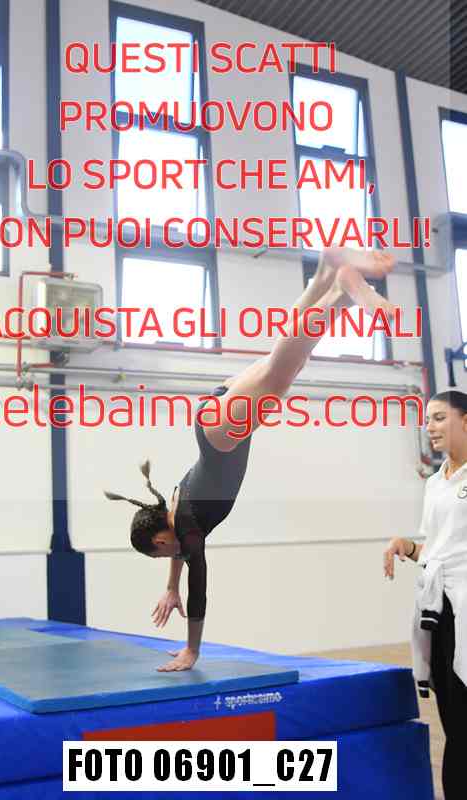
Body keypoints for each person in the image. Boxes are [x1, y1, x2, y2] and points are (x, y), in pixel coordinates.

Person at [106, 246, 396, 672]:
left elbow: (199, 587)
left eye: (160, 555)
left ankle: (342, 294)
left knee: (280, 371)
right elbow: (179, 555)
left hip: (223, 438)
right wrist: (170, 587)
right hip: (214, 414)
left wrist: (192, 650)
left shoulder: (188, 527)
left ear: (161, 542)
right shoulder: (176, 510)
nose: (170, 558)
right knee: (285, 363)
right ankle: (325, 276)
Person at [383, 390, 467, 800]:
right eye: (427, 419)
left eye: (438, 418)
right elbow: (437, 550)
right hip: (442, 613)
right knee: (454, 722)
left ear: (465, 421)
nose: (429, 427)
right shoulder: (435, 483)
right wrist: (409, 547)